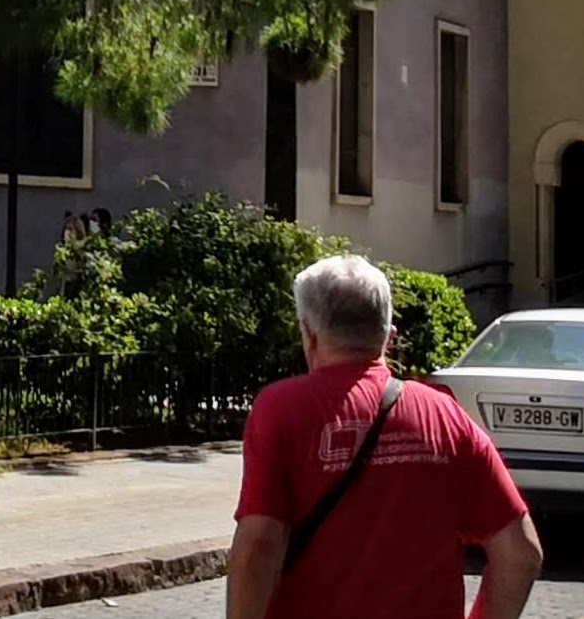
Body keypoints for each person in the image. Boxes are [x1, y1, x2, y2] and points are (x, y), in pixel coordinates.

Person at [223, 255, 540, 619]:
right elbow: (521, 554)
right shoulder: (446, 415)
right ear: (390, 337)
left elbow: (260, 544)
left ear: (309, 334)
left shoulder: (280, 409)